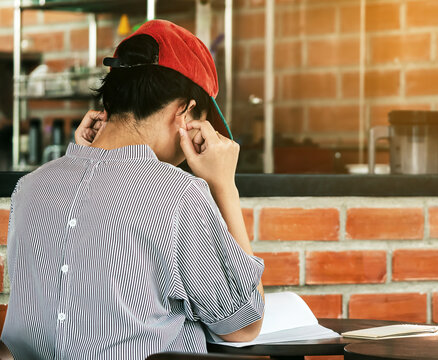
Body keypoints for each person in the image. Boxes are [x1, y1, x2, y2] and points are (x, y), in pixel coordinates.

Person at [2, 20, 264, 359]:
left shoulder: (30, 188)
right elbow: (243, 325)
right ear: (185, 111)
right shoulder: (179, 195)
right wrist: (223, 185)